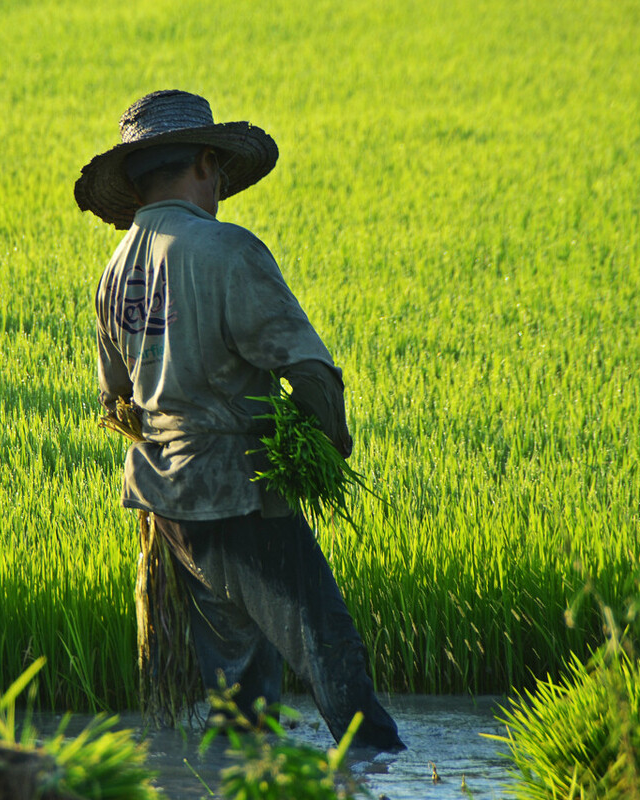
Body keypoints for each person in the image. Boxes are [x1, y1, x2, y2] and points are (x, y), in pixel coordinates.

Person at [74, 89, 405, 752]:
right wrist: (320, 446)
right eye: (217, 172)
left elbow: (117, 402)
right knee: (327, 646)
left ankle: (233, 782)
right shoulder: (226, 250)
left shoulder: (114, 270)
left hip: (170, 507)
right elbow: (309, 369)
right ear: (205, 162)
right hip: (240, 492)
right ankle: (378, 775)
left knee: (240, 687)